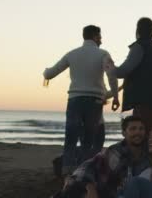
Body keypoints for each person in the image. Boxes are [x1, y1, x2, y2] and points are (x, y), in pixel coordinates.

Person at [13, 116, 149, 198]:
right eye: (133, 129)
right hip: (102, 194)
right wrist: (90, 189)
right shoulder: (115, 151)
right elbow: (88, 166)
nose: (138, 132)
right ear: (124, 133)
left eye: (141, 129)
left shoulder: (148, 155)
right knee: (75, 186)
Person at [43, 25, 120, 176]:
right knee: (88, 142)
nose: (101, 40)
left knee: (70, 138)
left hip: (74, 101)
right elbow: (111, 74)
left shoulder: (72, 54)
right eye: (100, 37)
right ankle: (84, 173)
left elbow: (51, 73)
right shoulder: (103, 54)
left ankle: (66, 173)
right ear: (96, 36)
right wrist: (116, 96)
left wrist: (45, 73)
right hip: (94, 101)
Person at [114, 17, 152, 129]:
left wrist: (109, 66)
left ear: (137, 31)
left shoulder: (140, 47)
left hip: (144, 106)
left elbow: (121, 72)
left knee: (140, 140)